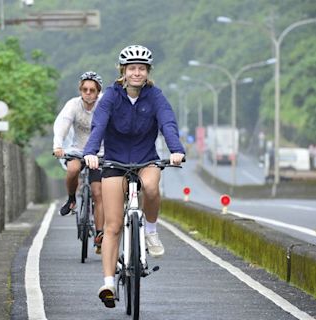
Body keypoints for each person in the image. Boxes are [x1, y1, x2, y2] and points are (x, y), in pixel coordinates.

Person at [83, 45, 185, 307]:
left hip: (146, 159)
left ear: (147, 72)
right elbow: (99, 125)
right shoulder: (110, 97)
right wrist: (91, 152)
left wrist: (176, 150)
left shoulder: (155, 96)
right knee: (113, 226)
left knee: (151, 186)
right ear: (123, 72)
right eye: (132, 69)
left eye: (141, 68)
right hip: (114, 161)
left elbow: (167, 122)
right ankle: (108, 283)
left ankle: (150, 230)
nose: (137, 73)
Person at [53, 71, 105, 253]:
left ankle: (99, 236)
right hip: (78, 150)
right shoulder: (73, 105)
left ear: (98, 91)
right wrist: (58, 145)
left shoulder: (105, 105)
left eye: (92, 90)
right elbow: (62, 124)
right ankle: (71, 199)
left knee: (98, 193)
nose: (88, 93)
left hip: (100, 152)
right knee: (73, 169)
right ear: (80, 90)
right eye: (85, 89)